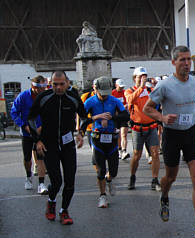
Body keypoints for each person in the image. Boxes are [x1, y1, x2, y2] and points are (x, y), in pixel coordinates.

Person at [143, 45, 195, 238]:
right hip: (171, 135)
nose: (186, 63)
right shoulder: (164, 85)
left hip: (190, 132)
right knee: (171, 177)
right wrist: (162, 118)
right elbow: (147, 109)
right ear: (174, 62)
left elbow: (194, 100)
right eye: (182, 59)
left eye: (189, 59)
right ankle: (165, 196)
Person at [28, 70, 87, 225]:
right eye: (55, 84)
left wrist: (81, 132)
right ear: (51, 83)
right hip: (49, 145)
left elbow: (84, 117)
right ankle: (52, 202)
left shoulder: (73, 98)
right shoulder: (44, 97)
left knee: (70, 181)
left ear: (67, 83)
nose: (58, 87)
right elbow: (31, 119)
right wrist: (37, 141)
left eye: (61, 84)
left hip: (67, 144)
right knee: (56, 181)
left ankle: (64, 211)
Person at [84, 76, 129, 208]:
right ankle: (102, 196)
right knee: (100, 170)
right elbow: (82, 118)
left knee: (113, 171)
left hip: (112, 139)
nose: (104, 97)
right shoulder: (90, 101)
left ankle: (110, 180)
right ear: (95, 89)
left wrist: (112, 118)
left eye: (106, 94)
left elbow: (125, 116)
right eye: (101, 94)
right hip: (97, 138)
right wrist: (96, 117)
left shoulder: (114, 100)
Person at [124, 67, 161, 191]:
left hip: (151, 126)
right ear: (135, 78)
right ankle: (132, 176)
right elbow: (130, 100)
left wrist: (156, 86)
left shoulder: (150, 90)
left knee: (155, 153)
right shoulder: (129, 91)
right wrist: (141, 87)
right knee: (136, 155)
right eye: (140, 76)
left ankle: (155, 179)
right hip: (137, 128)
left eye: (144, 76)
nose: (142, 78)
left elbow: (159, 99)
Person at [10, 75, 48, 193]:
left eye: (44, 87)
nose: (42, 90)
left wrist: (42, 127)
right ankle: (28, 177)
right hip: (27, 132)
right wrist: (23, 125)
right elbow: (14, 112)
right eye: (40, 87)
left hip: (40, 131)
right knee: (27, 158)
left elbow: (49, 113)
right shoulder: (23, 96)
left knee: (41, 156)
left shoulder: (45, 97)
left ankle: (41, 184)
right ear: (33, 86)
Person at [111, 79, 130, 160]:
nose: (121, 88)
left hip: (123, 116)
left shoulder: (125, 92)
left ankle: (124, 150)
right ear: (116, 85)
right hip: (115, 117)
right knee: (118, 135)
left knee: (124, 134)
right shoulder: (112, 93)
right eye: (120, 87)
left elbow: (128, 102)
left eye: (122, 87)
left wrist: (126, 106)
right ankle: (119, 150)